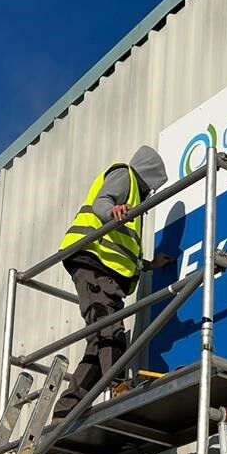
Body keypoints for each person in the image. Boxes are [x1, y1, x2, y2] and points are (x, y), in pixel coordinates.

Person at [53, 145, 171, 420]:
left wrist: (152, 265)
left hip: (107, 274)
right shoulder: (124, 175)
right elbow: (102, 202)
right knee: (111, 329)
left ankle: (66, 410)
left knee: (99, 342)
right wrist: (112, 211)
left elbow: (126, 252)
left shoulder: (135, 206)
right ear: (148, 177)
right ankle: (117, 385)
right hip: (92, 263)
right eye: (151, 187)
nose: (150, 194)